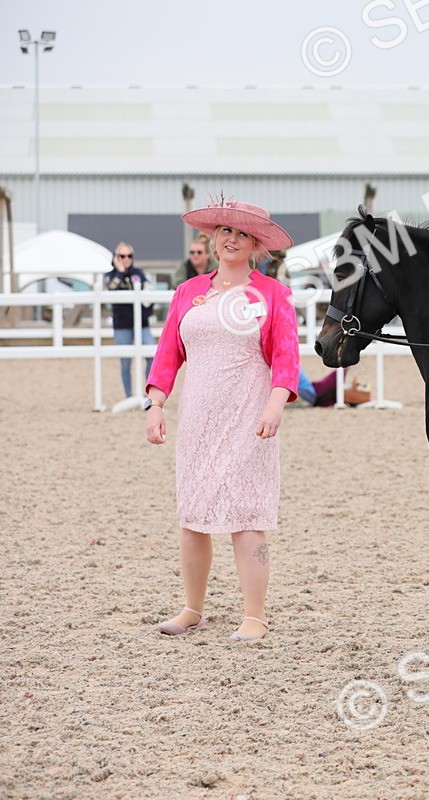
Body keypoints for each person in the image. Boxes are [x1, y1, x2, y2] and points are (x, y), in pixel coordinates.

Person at [144, 198, 299, 643]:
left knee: (248, 512)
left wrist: (276, 402)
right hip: (197, 418)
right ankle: (192, 608)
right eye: (225, 232)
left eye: (242, 235)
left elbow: (287, 355)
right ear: (213, 239)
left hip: (250, 416)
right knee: (193, 513)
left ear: (255, 245)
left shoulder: (272, 293)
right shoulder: (188, 291)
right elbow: (168, 353)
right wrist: (155, 403)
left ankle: (254, 615)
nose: (231, 240)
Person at [104, 241, 156, 399]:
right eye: (122, 256)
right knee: (125, 361)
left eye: (129, 256)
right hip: (122, 325)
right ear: (115, 257)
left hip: (142, 324)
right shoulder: (110, 276)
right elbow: (111, 289)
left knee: (152, 356)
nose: (126, 259)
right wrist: (120, 271)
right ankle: (129, 396)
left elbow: (149, 294)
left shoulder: (139, 274)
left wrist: (146, 312)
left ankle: (149, 395)